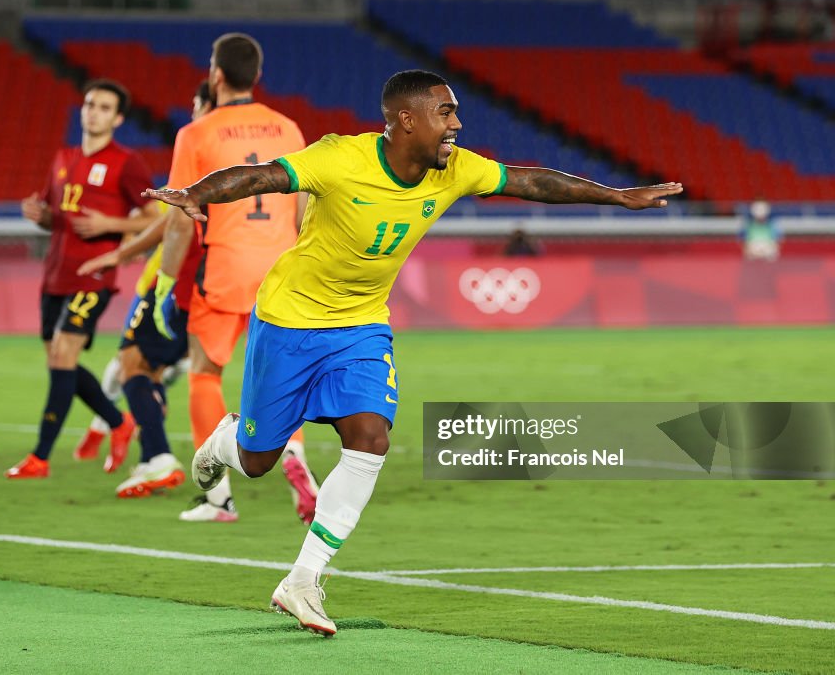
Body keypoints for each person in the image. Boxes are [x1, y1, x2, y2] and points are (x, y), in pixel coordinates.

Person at [144, 69, 682, 635]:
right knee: (257, 461)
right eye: (446, 113)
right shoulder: (339, 158)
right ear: (407, 120)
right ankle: (225, 441)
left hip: (361, 326)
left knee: (371, 437)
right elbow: (260, 177)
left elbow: (528, 181)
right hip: (288, 322)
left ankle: (303, 580)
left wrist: (618, 197)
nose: (457, 124)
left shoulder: (454, 168)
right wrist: (196, 195)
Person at [152, 33, 318, 524]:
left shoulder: (196, 133)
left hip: (224, 268)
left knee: (205, 371)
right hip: (282, 270)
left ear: (216, 74)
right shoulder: (287, 127)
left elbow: (182, 215)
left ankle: (218, 498)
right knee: (282, 380)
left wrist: (163, 282)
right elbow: (307, 206)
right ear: (257, 76)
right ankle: (297, 460)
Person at [5, 78, 159, 479]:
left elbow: (154, 216)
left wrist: (109, 223)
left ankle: (40, 456)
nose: (94, 112)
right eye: (90, 104)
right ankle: (118, 421)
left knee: (63, 355)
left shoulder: (127, 162)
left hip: (95, 274)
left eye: (105, 107)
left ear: (118, 118)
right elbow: (58, 217)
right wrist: (42, 216)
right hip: (55, 272)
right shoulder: (63, 157)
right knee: (60, 362)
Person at [73, 81, 215, 498]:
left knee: (132, 361)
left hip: (179, 282)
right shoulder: (252, 150)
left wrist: (122, 254)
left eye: (194, 102)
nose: (190, 110)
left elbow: (173, 220)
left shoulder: (198, 145)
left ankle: (157, 458)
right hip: (222, 282)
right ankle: (167, 461)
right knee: (155, 370)